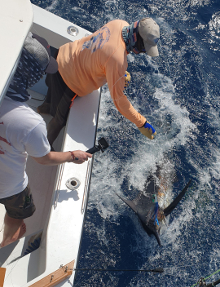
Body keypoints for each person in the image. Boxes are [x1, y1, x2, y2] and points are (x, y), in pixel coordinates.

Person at [0, 32, 92, 248]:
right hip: (9, 187)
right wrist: (72, 155)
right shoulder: (30, 123)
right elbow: (43, 159)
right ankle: (6, 239)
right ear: (30, 76)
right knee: (17, 212)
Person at [37, 17, 160, 147]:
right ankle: (43, 150)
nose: (143, 52)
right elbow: (118, 99)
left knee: (52, 91)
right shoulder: (117, 60)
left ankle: (43, 108)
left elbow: (101, 50)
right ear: (136, 39)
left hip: (62, 55)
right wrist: (141, 123)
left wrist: (118, 73)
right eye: (144, 48)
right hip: (70, 80)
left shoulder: (120, 24)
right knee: (59, 120)